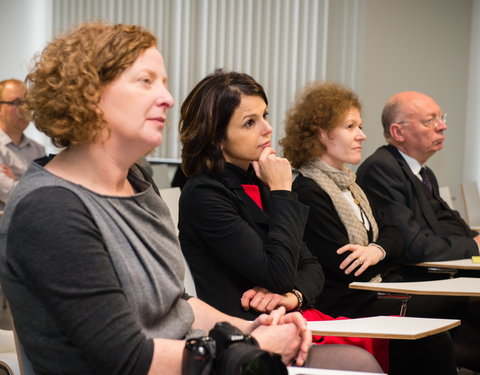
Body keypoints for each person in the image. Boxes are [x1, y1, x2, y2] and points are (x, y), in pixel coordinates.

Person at [0, 23, 314, 375]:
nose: (167, 97)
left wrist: (249, 328)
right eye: (146, 81)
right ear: (88, 94)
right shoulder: (50, 209)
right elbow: (124, 358)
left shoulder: (137, 183)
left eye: (163, 82)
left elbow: (177, 305)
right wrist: (250, 348)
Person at [178, 70, 384, 373]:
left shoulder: (260, 181)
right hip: (247, 330)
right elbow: (279, 273)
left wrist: (292, 296)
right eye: (250, 122)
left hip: (290, 314)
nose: (268, 129)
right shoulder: (205, 194)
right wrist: (282, 191)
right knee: (364, 361)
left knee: (414, 345)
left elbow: (312, 267)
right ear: (217, 138)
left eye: (265, 115)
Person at [280, 81, 478, 373]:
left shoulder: (351, 184)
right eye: (350, 127)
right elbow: (346, 264)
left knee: (466, 309)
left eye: (359, 126)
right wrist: (384, 252)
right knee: (455, 316)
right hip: (352, 301)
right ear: (321, 133)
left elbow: (393, 234)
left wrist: (376, 249)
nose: (362, 135)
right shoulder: (309, 190)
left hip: (378, 288)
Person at [356, 90, 479, 263]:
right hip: (408, 280)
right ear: (398, 132)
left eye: (441, 118)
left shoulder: (425, 174)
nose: (442, 126)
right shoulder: (380, 169)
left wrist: (475, 239)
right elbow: (413, 246)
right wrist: (475, 246)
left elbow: (445, 224)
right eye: (429, 121)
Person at [0, 79, 45, 210]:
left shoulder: (38, 149)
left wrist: (19, 182)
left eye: (28, 103)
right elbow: (7, 193)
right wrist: (31, 182)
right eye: (17, 102)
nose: (25, 109)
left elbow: (47, 190)